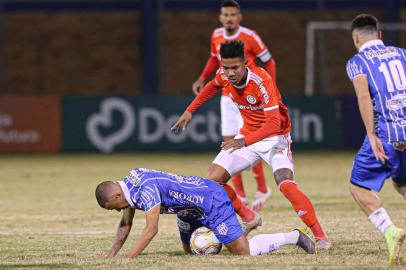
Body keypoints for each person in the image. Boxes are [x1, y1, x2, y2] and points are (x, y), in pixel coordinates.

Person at [171, 40, 331, 250]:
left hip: (276, 138)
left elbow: (273, 123)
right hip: (247, 136)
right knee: (212, 181)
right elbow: (212, 86)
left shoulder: (261, 79)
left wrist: (242, 141)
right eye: (226, 67)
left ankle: (321, 238)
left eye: (235, 67)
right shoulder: (224, 74)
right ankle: (249, 217)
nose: (230, 73)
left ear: (245, 63)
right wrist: (190, 110)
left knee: (285, 184)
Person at [95, 167, 315, 258]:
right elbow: (126, 223)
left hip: (210, 201)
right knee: (192, 252)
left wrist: (129, 259)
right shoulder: (127, 187)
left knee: (243, 252)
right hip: (186, 210)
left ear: (116, 197)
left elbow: (151, 230)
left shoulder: (145, 189)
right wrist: (112, 254)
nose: (117, 211)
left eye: (113, 208)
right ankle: (235, 231)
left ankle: (294, 236)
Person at [192, 0, 274, 210]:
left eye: (233, 14)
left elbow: (269, 61)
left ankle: (263, 188)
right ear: (220, 17)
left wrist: (271, 88)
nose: (229, 18)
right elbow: (214, 60)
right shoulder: (216, 35)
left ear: (239, 17)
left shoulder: (250, 36)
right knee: (229, 143)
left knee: (247, 141)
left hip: (248, 96)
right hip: (227, 96)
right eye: (225, 15)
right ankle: (240, 194)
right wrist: (202, 78)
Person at [345, 14, 406, 265]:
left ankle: (390, 232)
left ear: (356, 38)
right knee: (402, 183)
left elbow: (363, 97)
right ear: (379, 35)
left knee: (359, 186)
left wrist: (371, 134)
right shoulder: (403, 53)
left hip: (387, 134)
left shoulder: (357, 62)